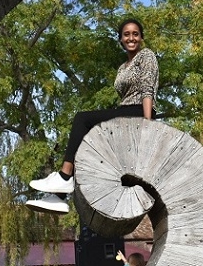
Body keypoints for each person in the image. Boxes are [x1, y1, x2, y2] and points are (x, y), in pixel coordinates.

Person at [26, 18, 159, 213]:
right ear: (121, 39)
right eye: (127, 34)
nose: (131, 38)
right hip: (125, 111)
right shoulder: (123, 67)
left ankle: (64, 176)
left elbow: (147, 90)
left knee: (82, 119)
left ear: (141, 37)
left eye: (135, 34)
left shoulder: (146, 56)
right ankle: (60, 197)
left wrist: (148, 124)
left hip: (138, 111)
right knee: (87, 134)